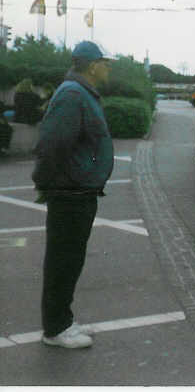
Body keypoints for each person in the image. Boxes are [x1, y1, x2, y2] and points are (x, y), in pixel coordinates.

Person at [32, 41, 115, 349]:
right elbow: (52, 145)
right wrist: (48, 184)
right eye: (106, 62)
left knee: (70, 260)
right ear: (92, 65)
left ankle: (63, 320)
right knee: (63, 261)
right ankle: (55, 329)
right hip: (69, 193)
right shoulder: (72, 95)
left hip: (78, 191)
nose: (109, 67)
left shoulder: (81, 93)